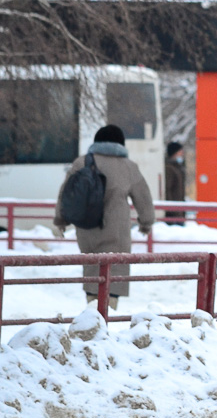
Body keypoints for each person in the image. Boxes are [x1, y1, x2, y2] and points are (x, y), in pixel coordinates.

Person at [53, 124, 155, 310]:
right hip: (116, 232)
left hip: (86, 228)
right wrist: (146, 223)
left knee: (92, 269)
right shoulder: (128, 167)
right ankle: (108, 313)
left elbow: (65, 193)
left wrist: (61, 220)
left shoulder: (81, 162)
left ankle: (92, 312)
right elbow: (144, 197)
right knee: (113, 273)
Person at [164, 141, 187, 225]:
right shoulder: (169, 168)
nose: (182, 154)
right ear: (175, 153)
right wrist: (172, 209)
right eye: (180, 152)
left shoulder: (177, 167)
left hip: (178, 211)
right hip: (173, 214)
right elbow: (168, 190)